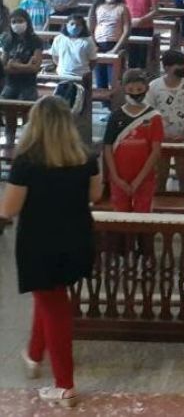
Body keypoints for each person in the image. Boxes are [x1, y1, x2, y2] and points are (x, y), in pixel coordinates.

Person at [0, 96, 103, 408]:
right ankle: (34, 354)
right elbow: (96, 195)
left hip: (39, 242)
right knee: (49, 295)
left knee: (53, 304)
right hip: (76, 237)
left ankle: (65, 385)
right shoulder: (86, 157)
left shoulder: (27, 162)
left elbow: (9, 209)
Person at [103, 69, 163, 212]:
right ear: (124, 89)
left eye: (139, 89)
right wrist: (116, 177)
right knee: (120, 217)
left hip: (144, 178)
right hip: (119, 177)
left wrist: (138, 180)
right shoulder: (115, 116)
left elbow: (155, 151)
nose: (135, 93)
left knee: (142, 217)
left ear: (146, 89)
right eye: (131, 89)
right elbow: (107, 148)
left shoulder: (154, 116)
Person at [145, 50, 184, 192]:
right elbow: (149, 114)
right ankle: (159, 205)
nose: (183, 68)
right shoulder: (154, 86)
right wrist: (161, 135)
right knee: (160, 174)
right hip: (161, 139)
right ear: (166, 67)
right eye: (179, 65)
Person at [89, 0, 131, 91]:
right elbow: (91, 28)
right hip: (99, 45)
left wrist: (115, 49)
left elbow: (126, 31)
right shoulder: (96, 7)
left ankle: (114, 103)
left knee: (114, 78)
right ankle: (104, 104)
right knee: (100, 77)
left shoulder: (122, 8)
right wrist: (94, 46)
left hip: (115, 44)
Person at [1, 9, 43, 101]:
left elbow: (35, 68)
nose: (17, 24)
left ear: (27, 22)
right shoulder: (7, 41)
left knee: (26, 108)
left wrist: (13, 65)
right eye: (14, 22)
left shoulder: (36, 41)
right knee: (6, 107)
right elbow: (3, 67)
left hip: (28, 85)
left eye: (20, 21)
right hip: (10, 84)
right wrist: (26, 66)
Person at [122, 0, 158, 69]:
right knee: (131, 53)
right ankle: (131, 76)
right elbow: (121, 6)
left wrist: (141, 20)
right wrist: (129, 20)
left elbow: (155, 10)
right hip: (129, 25)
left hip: (145, 26)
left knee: (143, 54)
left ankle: (142, 75)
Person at [51, 14, 98, 79]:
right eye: (72, 24)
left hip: (82, 76)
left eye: (78, 25)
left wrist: (83, 71)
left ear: (83, 27)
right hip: (62, 74)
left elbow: (93, 61)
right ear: (66, 25)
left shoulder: (88, 41)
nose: (74, 27)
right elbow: (55, 57)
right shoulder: (59, 39)